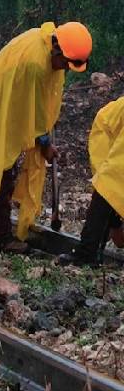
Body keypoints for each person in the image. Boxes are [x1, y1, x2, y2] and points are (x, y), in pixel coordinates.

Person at [0, 21, 92, 253]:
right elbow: (35, 115)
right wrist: (45, 144)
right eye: (66, 63)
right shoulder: (36, 65)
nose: (66, 69)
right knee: (0, 172)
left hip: (6, 105)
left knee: (3, 171)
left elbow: (40, 103)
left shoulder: (42, 39)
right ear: (57, 49)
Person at [59, 97, 124, 266]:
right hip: (107, 132)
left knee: (113, 192)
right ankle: (86, 254)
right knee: (107, 189)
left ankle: (97, 248)